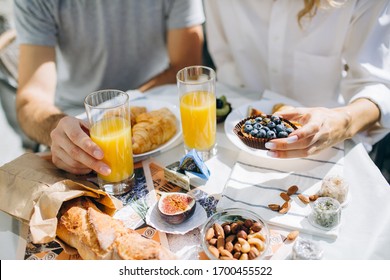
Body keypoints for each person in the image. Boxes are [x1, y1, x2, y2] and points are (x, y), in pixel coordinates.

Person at [14, 0, 205, 174]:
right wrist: (60, 132)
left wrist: (125, 103)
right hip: (76, 121)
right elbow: (30, 100)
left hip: (158, 109)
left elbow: (186, 67)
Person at [205, 0, 390, 158]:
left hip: (327, 145)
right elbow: (224, 58)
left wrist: (343, 121)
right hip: (233, 139)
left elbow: (377, 85)